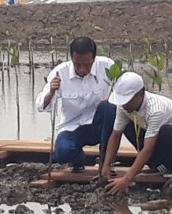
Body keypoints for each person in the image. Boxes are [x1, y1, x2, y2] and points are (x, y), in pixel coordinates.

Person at [101, 72, 172, 194]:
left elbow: (148, 148)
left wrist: (126, 179)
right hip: (161, 139)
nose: (124, 105)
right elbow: (115, 135)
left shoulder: (155, 109)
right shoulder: (123, 107)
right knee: (127, 126)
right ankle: (158, 165)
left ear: (140, 94)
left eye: (127, 101)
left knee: (165, 131)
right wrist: (106, 165)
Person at [36, 37, 116, 173]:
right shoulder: (60, 72)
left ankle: (106, 162)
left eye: (87, 65)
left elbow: (125, 92)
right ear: (71, 58)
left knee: (109, 107)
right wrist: (51, 91)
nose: (82, 69)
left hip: (100, 126)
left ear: (94, 58)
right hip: (72, 127)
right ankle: (79, 160)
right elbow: (41, 106)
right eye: (77, 64)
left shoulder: (108, 67)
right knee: (62, 152)